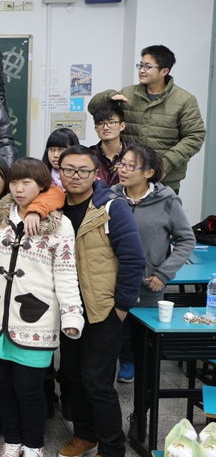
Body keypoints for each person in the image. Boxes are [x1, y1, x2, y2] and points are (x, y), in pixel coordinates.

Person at [0, 157, 84, 457]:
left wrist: (72, 314)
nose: (18, 188)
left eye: (26, 183)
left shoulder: (60, 225)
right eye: (14, 182)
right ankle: (12, 440)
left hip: (34, 320)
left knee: (29, 389)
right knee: (1, 387)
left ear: (42, 185)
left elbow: (66, 273)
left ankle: (33, 443)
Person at [56, 145, 145, 457]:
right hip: (70, 309)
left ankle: (112, 447)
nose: (75, 176)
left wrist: (120, 308)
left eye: (83, 170)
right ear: (60, 172)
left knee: (97, 382)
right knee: (72, 376)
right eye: (69, 170)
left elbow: (134, 259)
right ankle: (85, 435)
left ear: (96, 173)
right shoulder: (55, 206)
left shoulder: (111, 208)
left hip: (103, 309)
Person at [111, 145, 195, 386]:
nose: (123, 170)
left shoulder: (167, 201)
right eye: (121, 164)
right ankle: (125, 363)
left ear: (148, 173)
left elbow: (186, 240)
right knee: (116, 336)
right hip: (113, 283)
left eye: (131, 166)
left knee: (144, 344)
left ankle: (144, 398)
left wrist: (163, 273)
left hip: (149, 285)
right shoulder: (110, 197)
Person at [88, 45, 205, 192]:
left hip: (164, 179)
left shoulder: (184, 100)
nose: (142, 70)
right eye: (140, 65)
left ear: (164, 71)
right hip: (129, 176)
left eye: (148, 67)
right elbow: (94, 109)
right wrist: (109, 95)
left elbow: (194, 137)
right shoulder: (128, 93)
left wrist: (165, 164)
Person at [89, 100, 131, 187]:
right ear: (96, 128)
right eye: (100, 123)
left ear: (122, 126)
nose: (105, 127)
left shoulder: (134, 154)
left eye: (111, 122)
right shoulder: (89, 155)